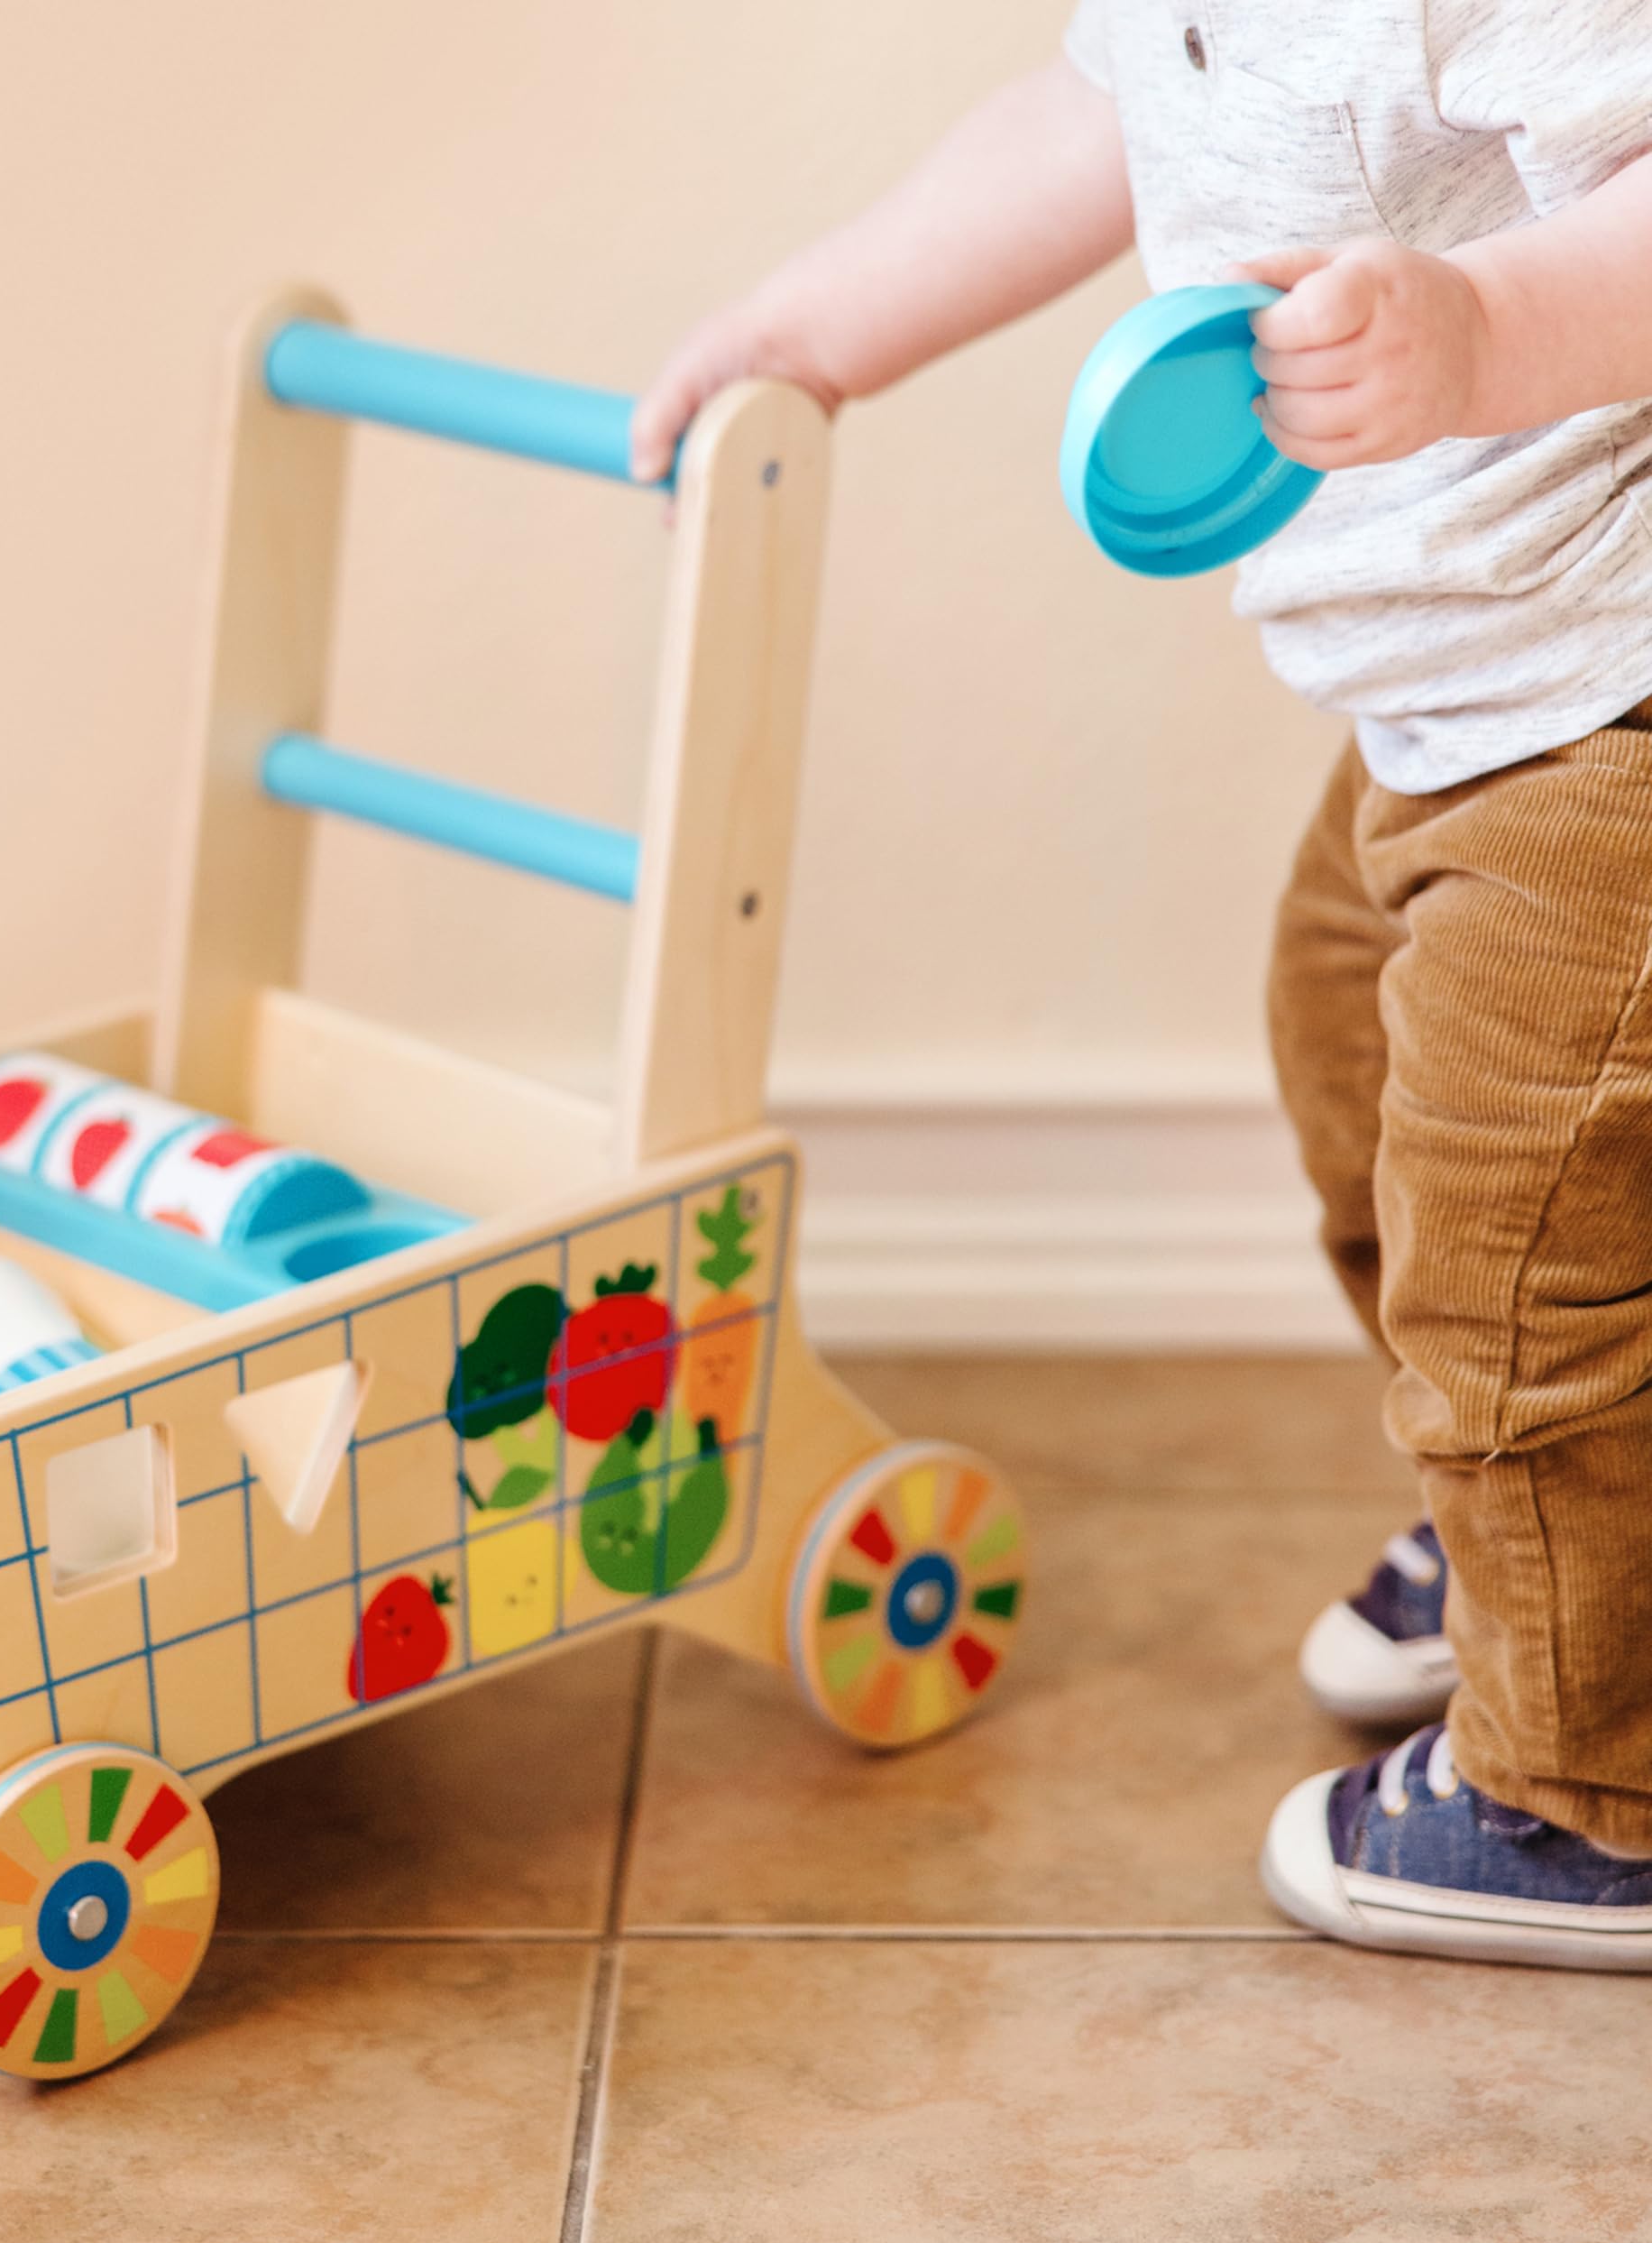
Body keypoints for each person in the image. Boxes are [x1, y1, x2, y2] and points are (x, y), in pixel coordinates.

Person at [633, 5, 1652, 1970]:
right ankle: (1569, 1550)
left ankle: (1588, 1786)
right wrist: (816, 324)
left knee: (1511, 1256)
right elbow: (1090, 113)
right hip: (1449, 699)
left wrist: (1475, 328)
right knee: (1348, 1045)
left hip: (1604, 701)